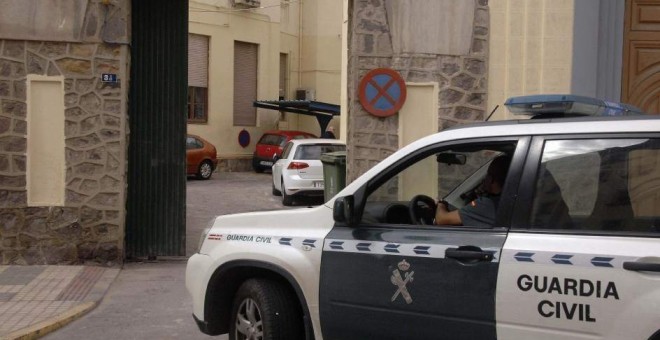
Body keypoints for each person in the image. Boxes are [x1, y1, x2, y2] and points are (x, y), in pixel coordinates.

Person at [435, 155, 511, 227]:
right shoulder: (508, 201)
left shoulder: (486, 205)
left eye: (487, 174)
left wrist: (441, 203)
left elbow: (441, 219)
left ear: (491, 180)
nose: (484, 179)